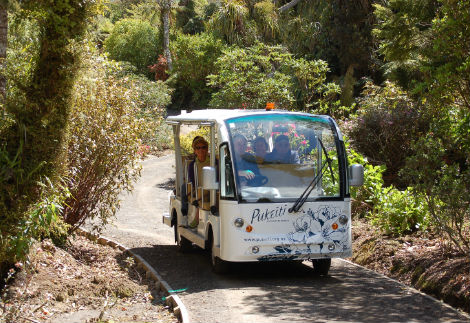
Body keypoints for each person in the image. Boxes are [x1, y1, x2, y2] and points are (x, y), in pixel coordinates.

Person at [187, 136, 210, 228]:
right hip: (198, 190)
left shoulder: (214, 162)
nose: (201, 150)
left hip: (212, 189)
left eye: (203, 147)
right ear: (194, 150)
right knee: (200, 194)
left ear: (207, 149)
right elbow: (192, 181)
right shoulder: (192, 165)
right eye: (198, 148)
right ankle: (196, 219)